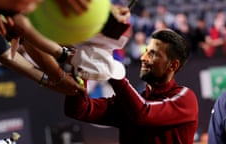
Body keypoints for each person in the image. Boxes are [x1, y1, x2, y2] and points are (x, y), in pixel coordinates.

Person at [61, 29, 199, 144]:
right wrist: (81, 70)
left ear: (173, 65)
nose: (143, 58)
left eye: (152, 54)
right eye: (146, 51)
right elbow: (78, 110)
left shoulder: (185, 99)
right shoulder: (132, 103)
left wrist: (115, 72)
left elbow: (143, 114)